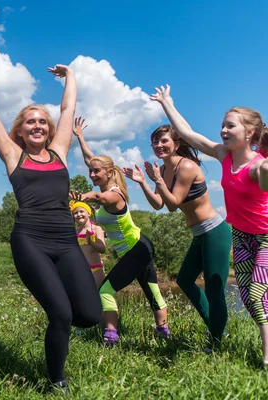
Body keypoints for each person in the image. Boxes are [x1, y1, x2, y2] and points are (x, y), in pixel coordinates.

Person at [0, 51, 101, 393]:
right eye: (29, 121)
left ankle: (61, 326)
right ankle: (56, 380)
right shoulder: (14, 156)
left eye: (41, 121)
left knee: (89, 315)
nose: (37, 125)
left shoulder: (60, 150)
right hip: (30, 239)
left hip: (65, 240)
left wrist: (71, 76)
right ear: (20, 129)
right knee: (60, 313)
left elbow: (67, 111)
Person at [151, 84, 268, 365]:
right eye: (222, 126)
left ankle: (265, 358)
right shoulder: (224, 156)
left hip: (265, 237)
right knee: (248, 297)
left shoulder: (259, 165)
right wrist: (167, 102)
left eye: (230, 126)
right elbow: (189, 134)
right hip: (241, 235)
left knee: (254, 292)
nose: (223, 131)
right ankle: (226, 336)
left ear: (249, 133)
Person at [123, 123, 231, 348]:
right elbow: (159, 204)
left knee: (214, 287)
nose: (159, 145)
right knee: (184, 280)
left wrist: (158, 181)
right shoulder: (161, 170)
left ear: (177, 144)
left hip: (214, 231)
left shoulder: (187, 167)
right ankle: (216, 327)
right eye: (155, 141)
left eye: (164, 141)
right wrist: (144, 181)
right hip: (198, 233)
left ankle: (217, 341)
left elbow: (173, 205)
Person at [71, 116, 169, 347]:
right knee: (151, 288)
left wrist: (83, 197)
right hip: (138, 247)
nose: (92, 175)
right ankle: (164, 333)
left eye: (96, 172)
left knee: (105, 290)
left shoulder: (114, 194)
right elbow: (89, 160)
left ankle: (111, 336)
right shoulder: (104, 179)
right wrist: (81, 137)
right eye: (90, 172)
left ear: (107, 172)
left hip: (137, 248)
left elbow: (98, 197)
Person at [69, 200, 106, 288]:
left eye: (81, 211)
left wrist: (91, 243)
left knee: (98, 294)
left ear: (88, 213)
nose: (79, 214)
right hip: (81, 270)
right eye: (75, 213)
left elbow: (103, 249)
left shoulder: (96, 229)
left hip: (96, 269)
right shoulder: (75, 233)